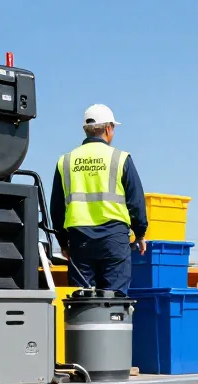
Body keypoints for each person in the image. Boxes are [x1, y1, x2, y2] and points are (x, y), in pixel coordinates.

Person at [50, 104, 148, 292]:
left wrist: (63, 243)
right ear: (109, 128)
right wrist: (140, 233)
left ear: (86, 130)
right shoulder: (120, 158)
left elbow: (57, 209)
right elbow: (135, 201)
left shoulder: (66, 161)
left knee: (83, 300)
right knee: (115, 300)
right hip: (114, 239)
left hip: (80, 240)